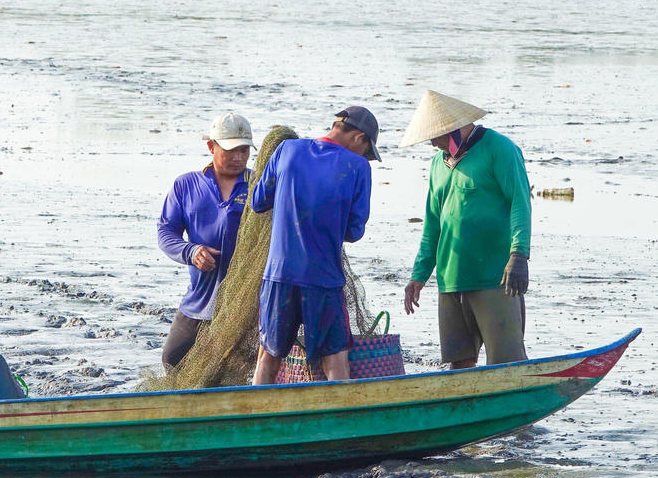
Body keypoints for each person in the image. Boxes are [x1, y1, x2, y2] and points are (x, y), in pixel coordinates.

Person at [400, 90, 531, 369]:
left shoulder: (500, 150)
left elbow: (521, 204)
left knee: (506, 364)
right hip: (451, 280)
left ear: (453, 128)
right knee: (459, 365)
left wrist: (519, 255)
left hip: (494, 279)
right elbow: (433, 224)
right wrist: (419, 276)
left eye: (435, 136)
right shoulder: (438, 164)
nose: (433, 144)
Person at [249, 106, 379, 385]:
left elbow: (258, 201)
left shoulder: (286, 150)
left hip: (278, 274)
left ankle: (256, 418)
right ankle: (338, 423)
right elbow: (355, 231)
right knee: (335, 357)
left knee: (267, 356)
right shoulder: (358, 167)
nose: (363, 156)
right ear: (359, 137)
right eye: (366, 149)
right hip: (322, 277)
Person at [156, 113, 253, 370]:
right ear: (211, 147)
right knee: (172, 358)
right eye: (231, 150)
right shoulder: (186, 186)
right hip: (201, 297)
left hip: (246, 301)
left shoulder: (258, 186)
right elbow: (166, 232)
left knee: (236, 365)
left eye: (244, 150)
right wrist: (191, 251)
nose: (239, 158)